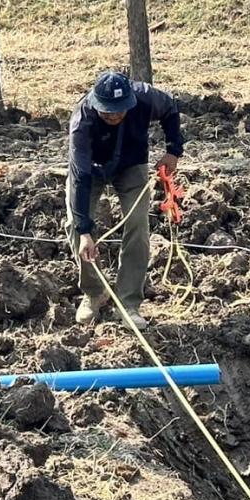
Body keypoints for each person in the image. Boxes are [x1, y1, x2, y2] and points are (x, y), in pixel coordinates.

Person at [66, 71, 184, 330]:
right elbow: (80, 178)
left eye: (119, 111)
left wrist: (174, 150)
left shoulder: (146, 98)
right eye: (107, 112)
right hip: (92, 169)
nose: (114, 116)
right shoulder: (82, 124)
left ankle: (129, 302)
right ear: (96, 104)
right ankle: (94, 292)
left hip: (132, 165)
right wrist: (85, 232)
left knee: (138, 223)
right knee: (77, 225)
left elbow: (171, 110)